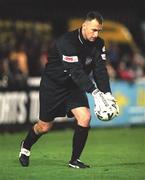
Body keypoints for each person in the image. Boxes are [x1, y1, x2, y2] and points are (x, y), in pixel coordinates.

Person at [19, 11, 118, 168]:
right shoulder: (66, 42)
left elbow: (100, 71)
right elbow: (75, 71)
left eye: (99, 30)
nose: (96, 34)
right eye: (93, 29)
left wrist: (107, 94)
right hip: (53, 86)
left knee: (85, 117)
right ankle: (25, 146)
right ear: (84, 25)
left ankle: (74, 160)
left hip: (73, 86)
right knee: (44, 127)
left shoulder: (99, 44)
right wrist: (94, 91)